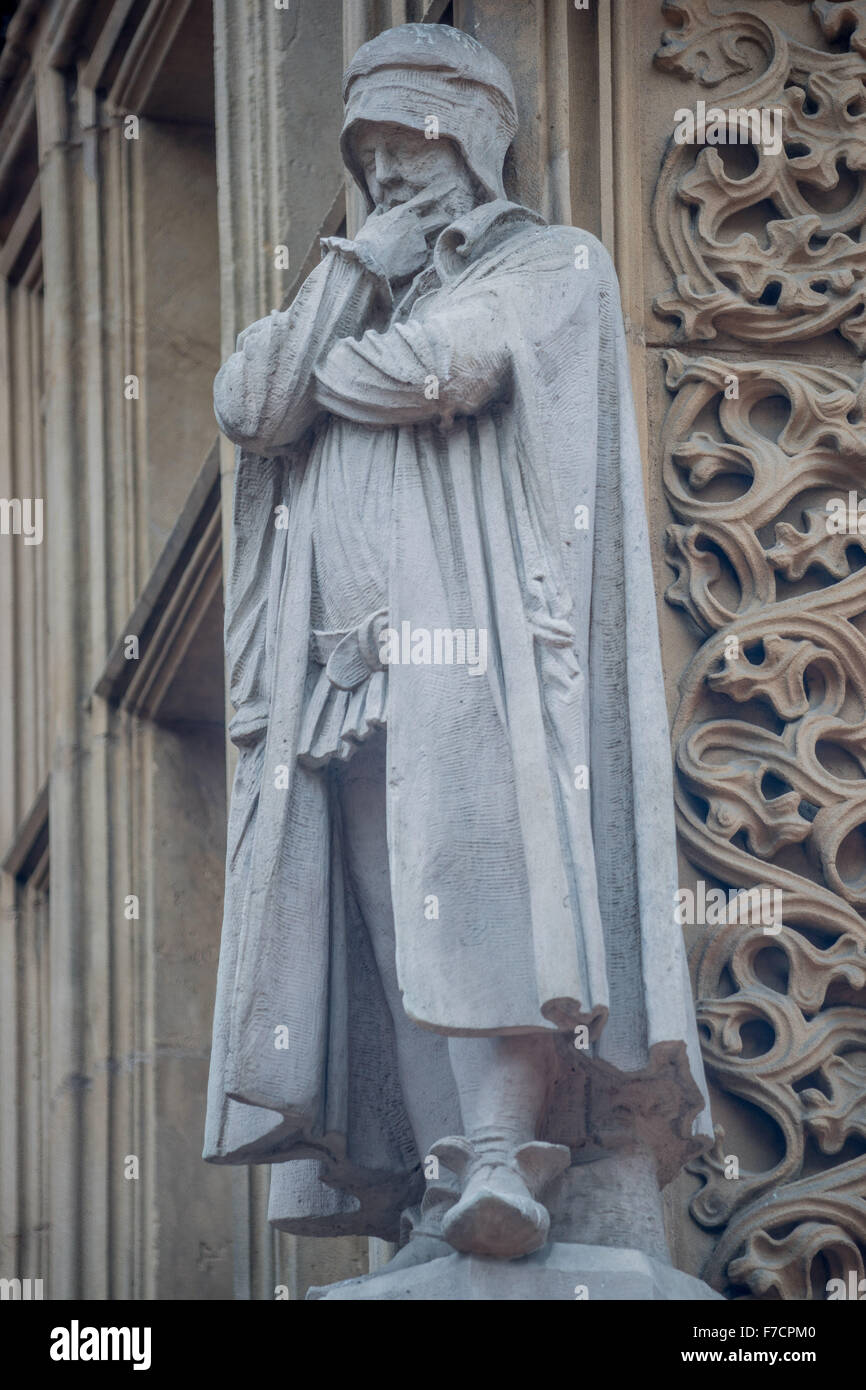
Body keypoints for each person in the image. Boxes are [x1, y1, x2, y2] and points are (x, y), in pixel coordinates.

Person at [204, 22, 711, 1276]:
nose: (387, 171)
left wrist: (348, 344)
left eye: (411, 141)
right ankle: (443, 1185)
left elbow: (436, 370)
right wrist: (346, 271)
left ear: (473, 141)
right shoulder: (359, 279)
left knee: (481, 893)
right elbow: (250, 403)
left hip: (475, 649)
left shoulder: (549, 262)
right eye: (368, 149)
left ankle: (508, 1155)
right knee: (384, 910)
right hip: (340, 665)